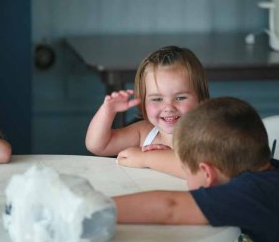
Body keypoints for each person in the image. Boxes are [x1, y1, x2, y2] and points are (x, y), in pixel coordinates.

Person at [113, 97, 279, 242]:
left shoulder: (249, 194)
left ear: (207, 173)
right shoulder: (271, 171)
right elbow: (200, 170)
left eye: (185, 167)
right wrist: (146, 157)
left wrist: (96, 206)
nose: (182, 170)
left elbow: (170, 208)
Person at [85, 46, 209, 177]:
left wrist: (147, 158)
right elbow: (98, 146)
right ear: (143, 101)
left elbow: (199, 170)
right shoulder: (144, 132)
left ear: (200, 98)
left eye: (180, 97)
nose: (169, 107)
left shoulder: (209, 134)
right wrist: (107, 111)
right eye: (157, 99)